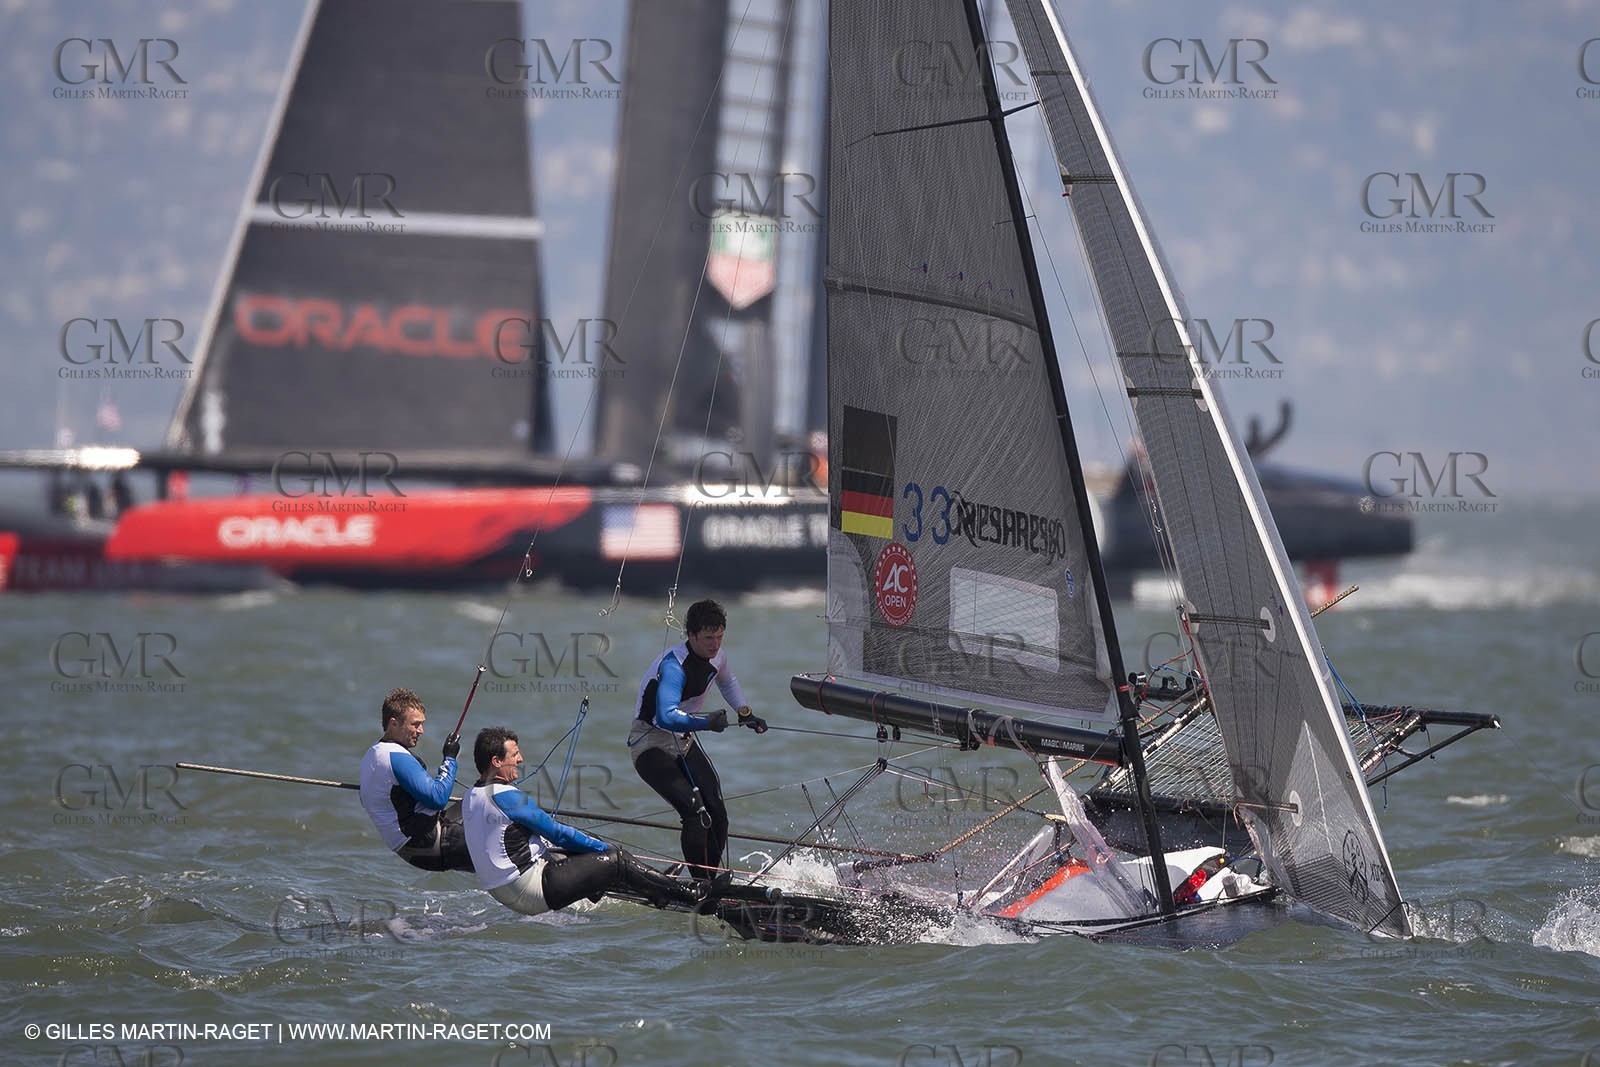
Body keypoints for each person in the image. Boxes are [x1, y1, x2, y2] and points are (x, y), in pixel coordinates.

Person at [464, 727, 703, 915]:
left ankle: (655, 885)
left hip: (503, 891)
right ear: (496, 761)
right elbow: (559, 834)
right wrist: (606, 849)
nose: (520, 759)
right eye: (514, 755)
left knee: (588, 851)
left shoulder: (470, 796)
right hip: (528, 889)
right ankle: (688, 894)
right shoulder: (506, 796)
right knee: (614, 859)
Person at [628, 598, 768, 880]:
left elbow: (727, 681)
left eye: (719, 637)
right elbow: (666, 716)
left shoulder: (718, 656)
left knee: (718, 813)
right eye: (707, 638)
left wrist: (744, 712)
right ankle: (701, 885)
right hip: (650, 743)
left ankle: (709, 881)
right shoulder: (673, 666)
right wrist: (707, 723)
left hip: (683, 740)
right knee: (695, 814)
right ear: (691, 635)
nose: (714, 644)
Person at [359, 687, 473, 872]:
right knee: (505, 827)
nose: (421, 730)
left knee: (485, 801)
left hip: (413, 843)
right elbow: (438, 798)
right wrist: (450, 758)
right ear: (393, 723)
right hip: (427, 845)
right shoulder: (396, 757)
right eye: (415, 724)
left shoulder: (373, 753)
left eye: (422, 724)